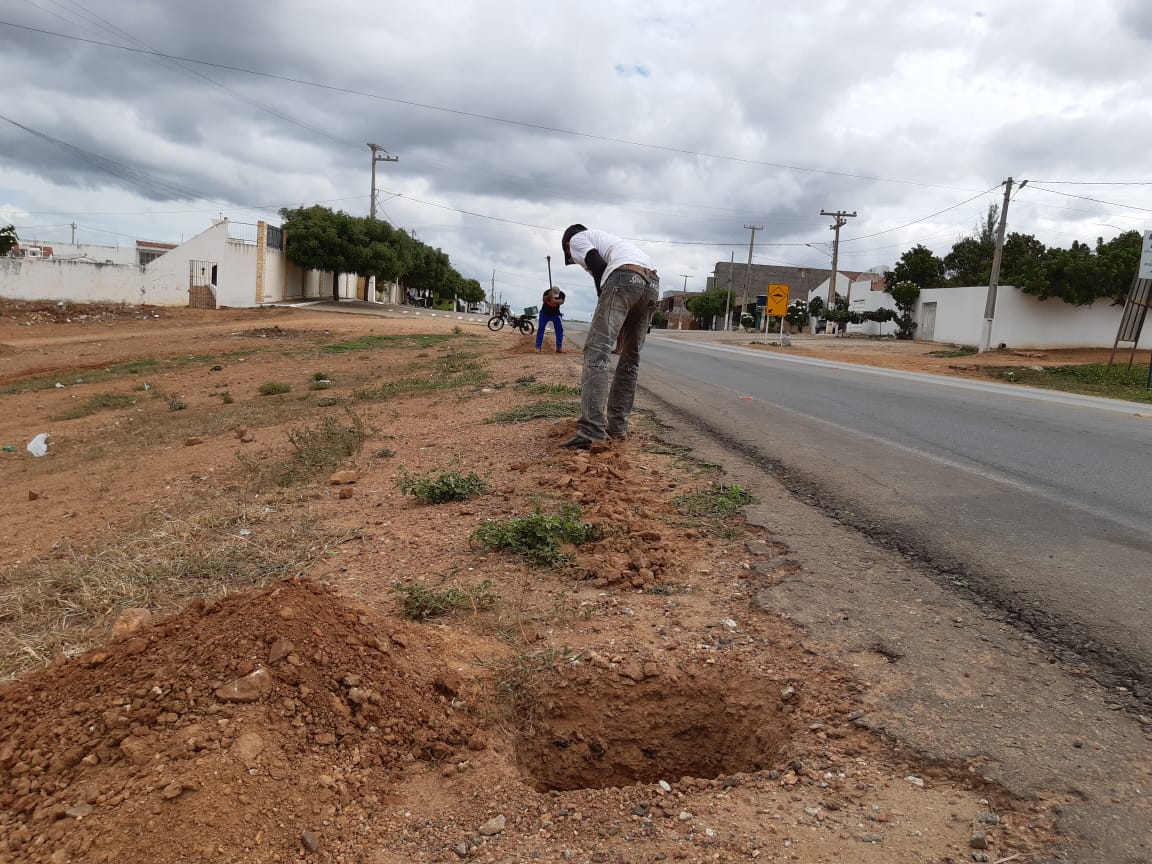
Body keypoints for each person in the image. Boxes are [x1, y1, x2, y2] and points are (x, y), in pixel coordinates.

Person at [560, 224, 659, 449]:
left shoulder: (576, 240)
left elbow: (598, 265)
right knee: (630, 358)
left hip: (623, 277)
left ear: (567, 245)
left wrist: (603, 299)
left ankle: (591, 430)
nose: (575, 260)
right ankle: (618, 427)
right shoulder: (614, 242)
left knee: (597, 351)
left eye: (571, 258)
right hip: (651, 284)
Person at [536, 286, 565, 352]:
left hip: (556, 314)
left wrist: (554, 300)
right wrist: (549, 296)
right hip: (544, 313)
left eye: (556, 295)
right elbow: (544, 299)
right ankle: (538, 347)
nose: (556, 296)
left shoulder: (562, 294)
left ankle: (559, 347)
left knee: (559, 330)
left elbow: (561, 302)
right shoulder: (547, 292)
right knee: (541, 329)